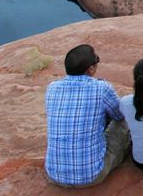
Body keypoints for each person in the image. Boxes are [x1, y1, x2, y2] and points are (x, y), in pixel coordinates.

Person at [44, 44, 130, 188]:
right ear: (91, 69)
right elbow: (118, 115)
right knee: (124, 118)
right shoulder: (101, 88)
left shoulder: (52, 88)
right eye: (97, 59)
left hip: (54, 174)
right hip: (92, 175)